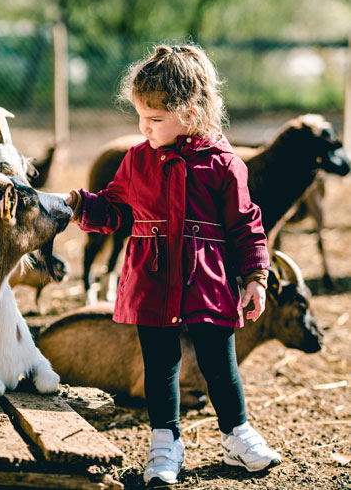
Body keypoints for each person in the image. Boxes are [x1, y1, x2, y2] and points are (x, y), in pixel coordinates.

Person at [61, 42, 282, 486]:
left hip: (209, 282)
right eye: (141, 116)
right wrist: (76, 205)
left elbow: (245, 224)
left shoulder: (224, 164)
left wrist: (256, 276)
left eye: (156, 119)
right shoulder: (137, 160)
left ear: (193, 111)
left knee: (220, 363)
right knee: (160, 364)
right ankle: (166, 443)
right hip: (152, 281)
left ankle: (236, 435)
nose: (145, 127)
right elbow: (115, 209)